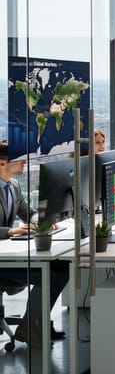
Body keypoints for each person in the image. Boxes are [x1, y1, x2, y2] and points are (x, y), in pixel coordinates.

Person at [0, 141, 69, 347]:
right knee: (45, 275)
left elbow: (28, 213)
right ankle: (30, 328)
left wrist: (42, 220)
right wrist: (10, 231)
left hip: (7, 254)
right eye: (20, 159)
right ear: (2, 163)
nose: (25, 162)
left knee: (62, 268)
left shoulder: (13, 185)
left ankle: (31, 325)